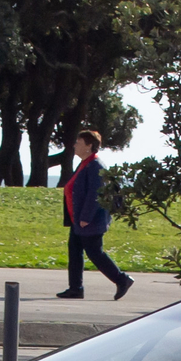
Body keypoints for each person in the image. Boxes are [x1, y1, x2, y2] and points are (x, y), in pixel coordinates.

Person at [54, 129, 131, 301]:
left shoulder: (95, 166)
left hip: (89, 220)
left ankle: (121, 279)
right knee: (74, 252)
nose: (74, 145)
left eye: (78, 143)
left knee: (95, 253)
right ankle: (75, 288)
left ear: (89, 146)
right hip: (78, 220)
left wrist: (85, 218)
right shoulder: (84, 164)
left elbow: (95, 195)